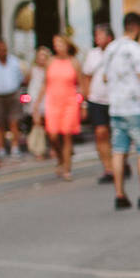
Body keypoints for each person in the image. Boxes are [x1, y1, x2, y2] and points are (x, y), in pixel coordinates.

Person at [102, 11, 140, 209]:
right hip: (135, 107)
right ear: (137, 27)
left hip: (116, 108)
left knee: (118, 152)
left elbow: (105, 78)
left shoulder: (111, 49)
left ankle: (120, 195)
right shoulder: (136, 50)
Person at [43, 35, 83, 180]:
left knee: (66, 135)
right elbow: (44, 83)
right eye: (55, 44)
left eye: (60, 43)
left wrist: (82, 104)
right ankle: (60, 158)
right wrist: (36, 105)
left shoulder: (74, 62)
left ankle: (67, 169)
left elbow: (81, 85)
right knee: (53, 135)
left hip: (69, 102)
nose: (57, 46)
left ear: (67, 45)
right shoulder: (50, 62)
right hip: (53, 102)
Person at [81, 23, 116, 183]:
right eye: (96, 35)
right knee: (100, 133)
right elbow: (86, 75)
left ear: (109, 37)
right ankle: (108, 168)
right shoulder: (92, 54)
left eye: (100, 35)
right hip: (96, 100)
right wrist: (86, 98)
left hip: (115, 100)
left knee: (116, 135)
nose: (97, 38)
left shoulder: (116, 52)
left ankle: (120, 163)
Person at [25, 44, 52, 150]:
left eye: (44, 55)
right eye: (40, 55)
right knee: (37, 124)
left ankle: (51, 147)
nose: (41, 58)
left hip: (46, 99)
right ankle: (39, 149)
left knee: (48, 124)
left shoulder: (49, 70)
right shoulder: (33, 69)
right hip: (35, 98)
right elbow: (27, 81)